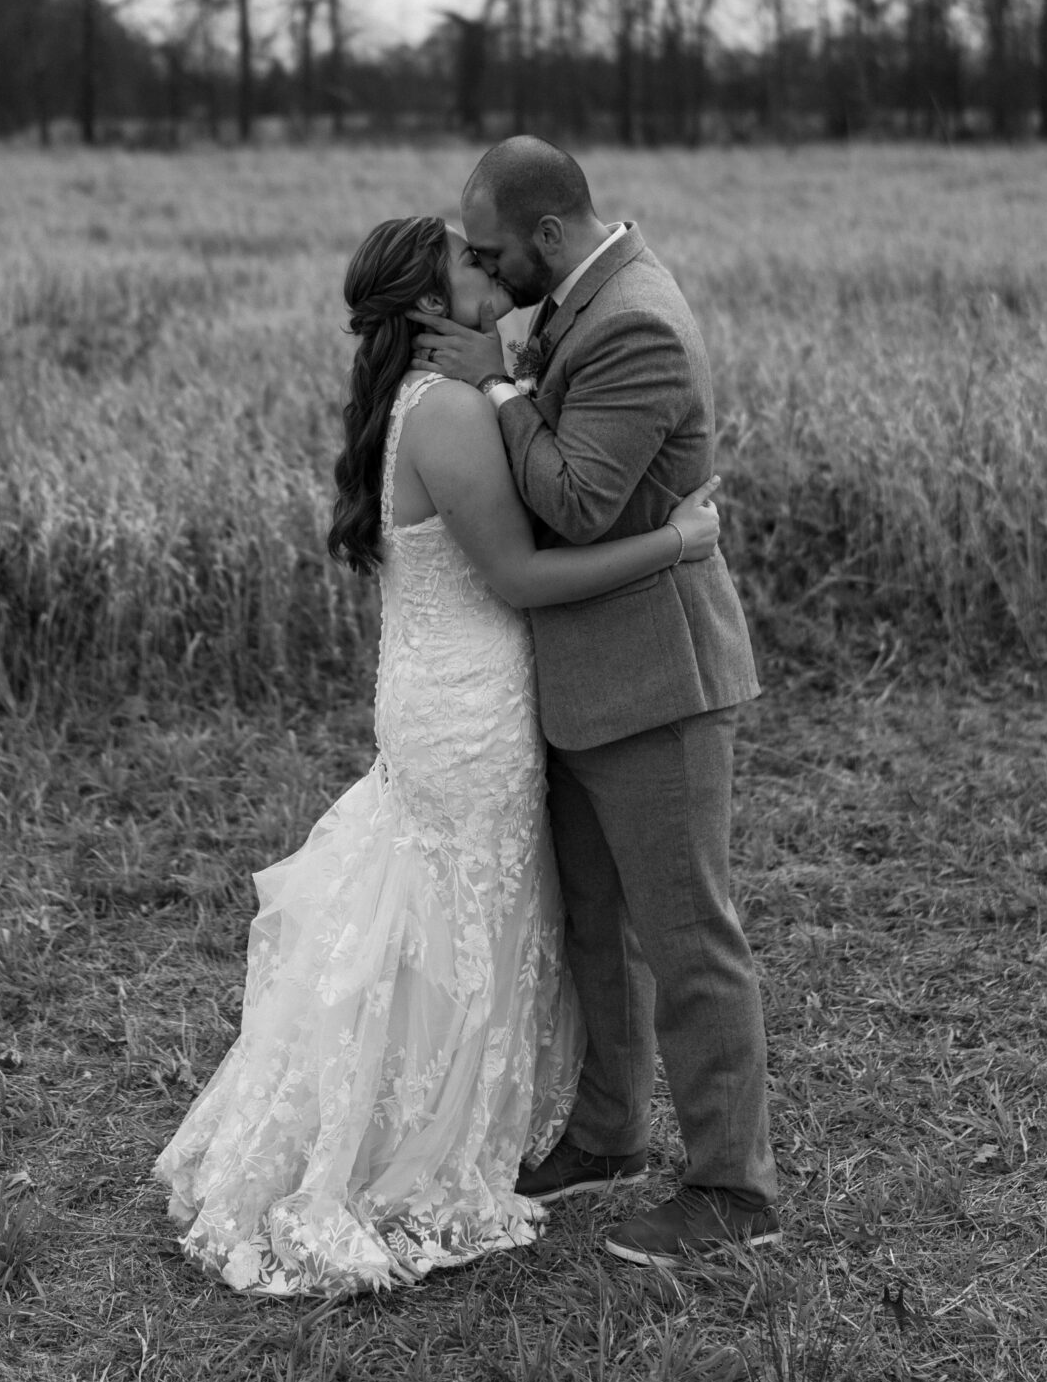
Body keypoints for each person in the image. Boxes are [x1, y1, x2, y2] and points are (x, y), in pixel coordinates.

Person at [153, 212, 722, 1298]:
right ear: (425, 305)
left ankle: (434, 1122)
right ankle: (406, 1151)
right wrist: (680, 540)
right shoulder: (451, 411)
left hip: (440, 693)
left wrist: (507, 381)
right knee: (455, 917)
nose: (494, 264)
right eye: (470, 259)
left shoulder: (425, 400)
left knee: (440, 913)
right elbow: (521, 574)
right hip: (468, 710)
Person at [415, 135, 778, 1268]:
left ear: (552, 236)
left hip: (658, 683)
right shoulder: (581, 298)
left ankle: (734, 1189)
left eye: (490, 249)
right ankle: (612, 1133)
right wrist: (508, 369)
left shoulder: (634, 323)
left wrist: (498, 382)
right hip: (585, 680)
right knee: (593, 929)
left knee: (688, 938)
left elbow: (575, 502)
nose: (483, 269)